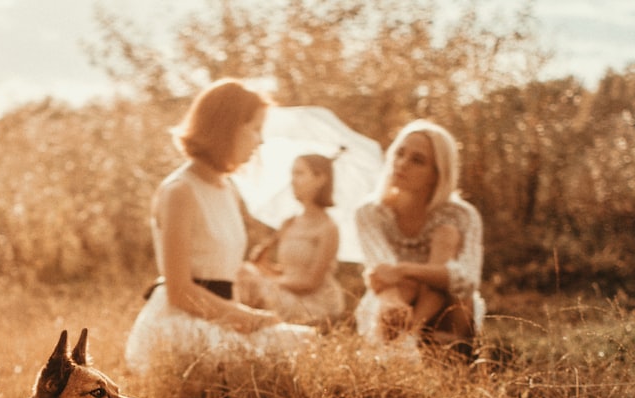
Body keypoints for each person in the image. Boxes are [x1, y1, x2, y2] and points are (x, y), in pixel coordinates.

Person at [125, 79, 314, 377]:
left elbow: (220, 273)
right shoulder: (180, 191)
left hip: (218, 318)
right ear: (227, 127)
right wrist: (249, 318)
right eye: (255, 128)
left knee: (307, 342)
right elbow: (179, 291)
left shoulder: (227, 189)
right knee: (284, 352)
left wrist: (247, 292)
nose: (260, 141)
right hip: (178, 322)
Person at [354, 119, 485, 355]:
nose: (402, 164)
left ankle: (442, 352)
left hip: (447, 306)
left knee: (450, 277)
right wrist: (394, 304)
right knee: (397, 296)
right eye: (399, 153)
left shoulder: (460, 215)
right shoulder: (370, 212)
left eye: (417, 160)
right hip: (392, 297)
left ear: (437, 174)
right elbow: (382, 271)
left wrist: (405, 270)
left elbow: (467, 280)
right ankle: (397, 349)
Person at [235, 153, 346, 327]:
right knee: (243, 271)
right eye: (292, 174)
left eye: (299, 173)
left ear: (320, 179)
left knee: (251, 281)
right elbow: (286, 273)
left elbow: (310, 283)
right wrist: (262, 266)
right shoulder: (289, 223)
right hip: (287, 291)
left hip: (314, 302)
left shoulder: (328, 228)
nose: (293, 181)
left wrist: (268, 283)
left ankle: (244, 325)